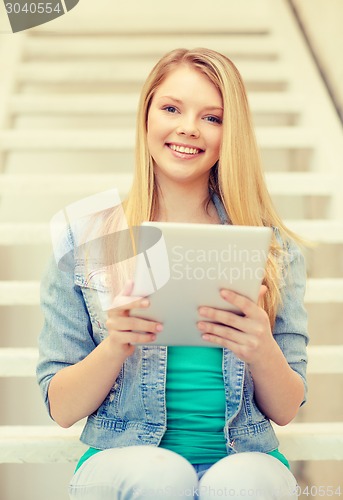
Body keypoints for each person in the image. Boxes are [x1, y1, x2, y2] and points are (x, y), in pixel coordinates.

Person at [36, 48, 309, 499]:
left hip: (243, 456)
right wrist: (117, 344)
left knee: (247, 482)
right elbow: (62, 409)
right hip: (121, 457)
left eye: (213, 117)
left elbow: (285, 411)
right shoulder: (84, 238)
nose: (188, 128)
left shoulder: (275, 249)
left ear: (230, 134)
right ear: (146, 117)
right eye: (171, 108)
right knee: (160, 476)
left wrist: (261, 348)